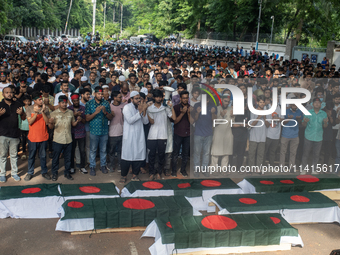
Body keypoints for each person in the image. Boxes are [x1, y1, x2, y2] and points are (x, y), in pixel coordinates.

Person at [49, 95, 82, 181]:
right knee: (56, 158)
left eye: (65, 102)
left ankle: (67, 173)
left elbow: (73, 124)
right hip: (57, 139)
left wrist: (78, 121)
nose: (64, 104)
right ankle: (54, 173)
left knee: (68, 158)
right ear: (59, 103)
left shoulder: (70, 112)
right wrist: (51, 123)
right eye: (62, 102)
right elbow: (50, 128)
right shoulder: (54, 113)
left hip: (68, 139)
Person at [120, 91, 149, 183]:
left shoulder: (140, 108)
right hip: (129, 136)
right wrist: (140, 111)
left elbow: (145, 122)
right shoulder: (126, 107)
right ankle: (124, 176)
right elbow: (130, 120)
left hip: (139, 136)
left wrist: (144, 111)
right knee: (126, 157)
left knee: (138, 155)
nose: (138, 100)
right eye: (136, 99)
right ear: (131, 99)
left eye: (139, 98)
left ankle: (135, 175)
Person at [147, 89, 176, 180]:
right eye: (156, 97)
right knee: (151, 155)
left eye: (160, 97)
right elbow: (151, 122)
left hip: (163, 135)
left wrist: (171, 107)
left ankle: (159, 172)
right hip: (152, 135)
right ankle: (151, 173)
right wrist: (147, 110)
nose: (158, 98)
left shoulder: (166, 108)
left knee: (161, 155)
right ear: (154, 98)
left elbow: (174, 118)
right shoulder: (150, 108)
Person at [85, 86, 113, 176]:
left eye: (101, 93)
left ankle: (103, 165)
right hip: (94, 131)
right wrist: (96, 112)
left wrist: (105, 112)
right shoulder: (89, 104)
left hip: (104, 130)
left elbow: (110, 117)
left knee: (103, 150)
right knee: (93, 150)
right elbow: (87, 118)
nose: (100, 95)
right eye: (98, 93)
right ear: (94, 94)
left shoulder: (106, 103)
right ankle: (92, 166)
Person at [0, 86, 26, 182]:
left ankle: (14, 173)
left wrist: (22, 113)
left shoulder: (17, 104)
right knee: (3, 155)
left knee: (14, 155)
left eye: (10, 92)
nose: (9, 94)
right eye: (7, 92)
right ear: (3, 94)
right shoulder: (0, 105)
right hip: (2, 134)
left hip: (15, 134)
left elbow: (23, 118)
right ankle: (2, 174)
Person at [25, 91, 51, 181]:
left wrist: (43, 112)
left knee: (43, 156)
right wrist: (36, 113)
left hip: (43, 136)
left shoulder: (46, 108)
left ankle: (44, 172)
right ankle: (30, 172)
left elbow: (47, 122)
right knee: (31, 155)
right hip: (33, 137)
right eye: (40, 99)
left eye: (42, 99)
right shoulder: (29, 108)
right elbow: (30, 122)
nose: (41, 101)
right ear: (35, 101)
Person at [193, 92, 217, 177]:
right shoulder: (196, 105)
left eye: (206, 100)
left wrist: (213, 113)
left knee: (206, 153)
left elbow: (214, 120)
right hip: (198, 133)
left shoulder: (213, 107)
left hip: (208, 133)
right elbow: (194, 120)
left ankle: (204, 169)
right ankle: (196, 170)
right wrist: (197, 112)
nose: (204, 101)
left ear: (208, 100)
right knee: (197, 153)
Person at [301, 98, 328, 170]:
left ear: (321, 104)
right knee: (305, 154)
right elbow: (303, 125)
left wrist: (325, 123)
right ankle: (303, 169)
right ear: (312, 104)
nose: (317, 104)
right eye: (315, 102)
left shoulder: (324, 113)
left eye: (318, 103)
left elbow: (325, 126)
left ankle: (314, 169)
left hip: (318, 137)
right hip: (308, 136)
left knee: (316, 155)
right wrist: (305, 122)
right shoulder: (308, 112)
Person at [172, 91, 192, 177]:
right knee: (175, 153)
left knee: (185, 154)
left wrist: (188, 113)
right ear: (180, 98)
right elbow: (175, 121)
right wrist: (182, 113)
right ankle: (173, 170)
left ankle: (183, 170)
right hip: (178, 133)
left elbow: (192, 122)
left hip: (188, 134)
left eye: (187, 98)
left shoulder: (191, 108)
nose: (185, 99)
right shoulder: (176, 108)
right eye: (183, 98)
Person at [211, 95, 234, 171]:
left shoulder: (231, 109)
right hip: (218, 133)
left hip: (228, 133)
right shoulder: (216, 109)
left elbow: (232, 123)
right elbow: (214, 123)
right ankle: (214, 169)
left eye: (228, 102)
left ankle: (223, 170)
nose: (227, 103)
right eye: (225, 101)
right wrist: (221, 116)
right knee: (215, 153)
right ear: (221, 100)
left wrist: (232, 116)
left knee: (226, 153)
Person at [68, 93, 87, 174]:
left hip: (81, 132)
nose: (76, 102)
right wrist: (75, 115)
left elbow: (85, 121)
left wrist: (80, 118)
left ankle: (82, 167)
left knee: (82, 150)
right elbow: (68, 120)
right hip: (72, 133)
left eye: (77, 100)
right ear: (72, 101)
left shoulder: (83, 108)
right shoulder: (69, 109)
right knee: (72, 151)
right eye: (74, 101)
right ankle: (72, 167)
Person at [280, 101, 303, 167]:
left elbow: (301, 122)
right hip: (285, 134)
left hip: (295, 135)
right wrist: (289, 119)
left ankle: (291, 167)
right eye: (293, 104)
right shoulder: (286, 111)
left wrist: (298, 119)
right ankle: (281, 167)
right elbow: (282, 123)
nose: (294, 106)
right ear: (291, 104)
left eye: (296, 104)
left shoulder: (299, 111)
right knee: (283, 152)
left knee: (293, 153)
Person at [248, 95, 268, 167]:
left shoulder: (266, 112)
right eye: (260, 102)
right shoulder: (253, 111)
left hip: (262, 137)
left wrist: (265, 117)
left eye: (263, 102)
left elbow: (268, 125)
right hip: (253, 137)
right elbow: (251, 125)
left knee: (260, 154)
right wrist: (259, 117)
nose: (262, 104)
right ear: (257, 102)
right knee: (251, 154)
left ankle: (258, 168)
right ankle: (250, 168)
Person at [108, 91, 124, 172]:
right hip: (112, 133)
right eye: (119, 97)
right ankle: (112, 165)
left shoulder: (124, 106)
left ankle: (120, 165)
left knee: (120, 151)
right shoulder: (110, 107)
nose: (121, 98)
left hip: (122, 132)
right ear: (114, 98)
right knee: (112, 151)